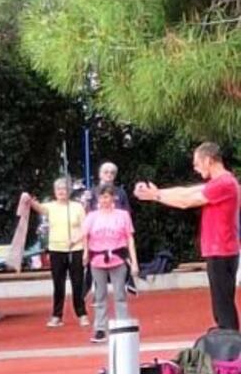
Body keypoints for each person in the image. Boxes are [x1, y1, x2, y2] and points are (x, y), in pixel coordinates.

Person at [134, 142, 240, 331]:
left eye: (197, 163)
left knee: (223, 305)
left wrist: (156, 197)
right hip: (219, 249)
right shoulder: (219, 182)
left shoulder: (224, 183)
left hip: (222, 250)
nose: (195, 167)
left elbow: (187, 201)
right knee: (221, 303)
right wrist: (157, 193)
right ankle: (228, 341)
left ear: (208, 160)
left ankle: (231, 346)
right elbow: (186, 191)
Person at [22, 178, 88, 327]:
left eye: (64, 189)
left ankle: (82, 313)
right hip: (56, 250)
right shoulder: (50, 206)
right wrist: (28, 198)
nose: (61, 192)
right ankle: (57, 315)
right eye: (58, 190)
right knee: (58, 284)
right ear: (54, 192)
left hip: (75, 249)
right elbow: (37, 206)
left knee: (77, 283)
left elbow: (85, 229)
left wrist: (83, 247)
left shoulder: (77, 207)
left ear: (69, 191)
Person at [82, 184, 138, 342]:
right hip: (97, 259)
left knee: (120, 293)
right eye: (101, 197)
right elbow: (85, 237)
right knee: (99, 295)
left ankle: (122, 324)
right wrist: (86, 253)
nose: (104, 200)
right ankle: (100, 329)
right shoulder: (91, 216)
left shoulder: (123, 215)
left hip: (118, 258)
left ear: (113, 197)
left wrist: (134, 262)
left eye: (107, 196)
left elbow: (129, 238)